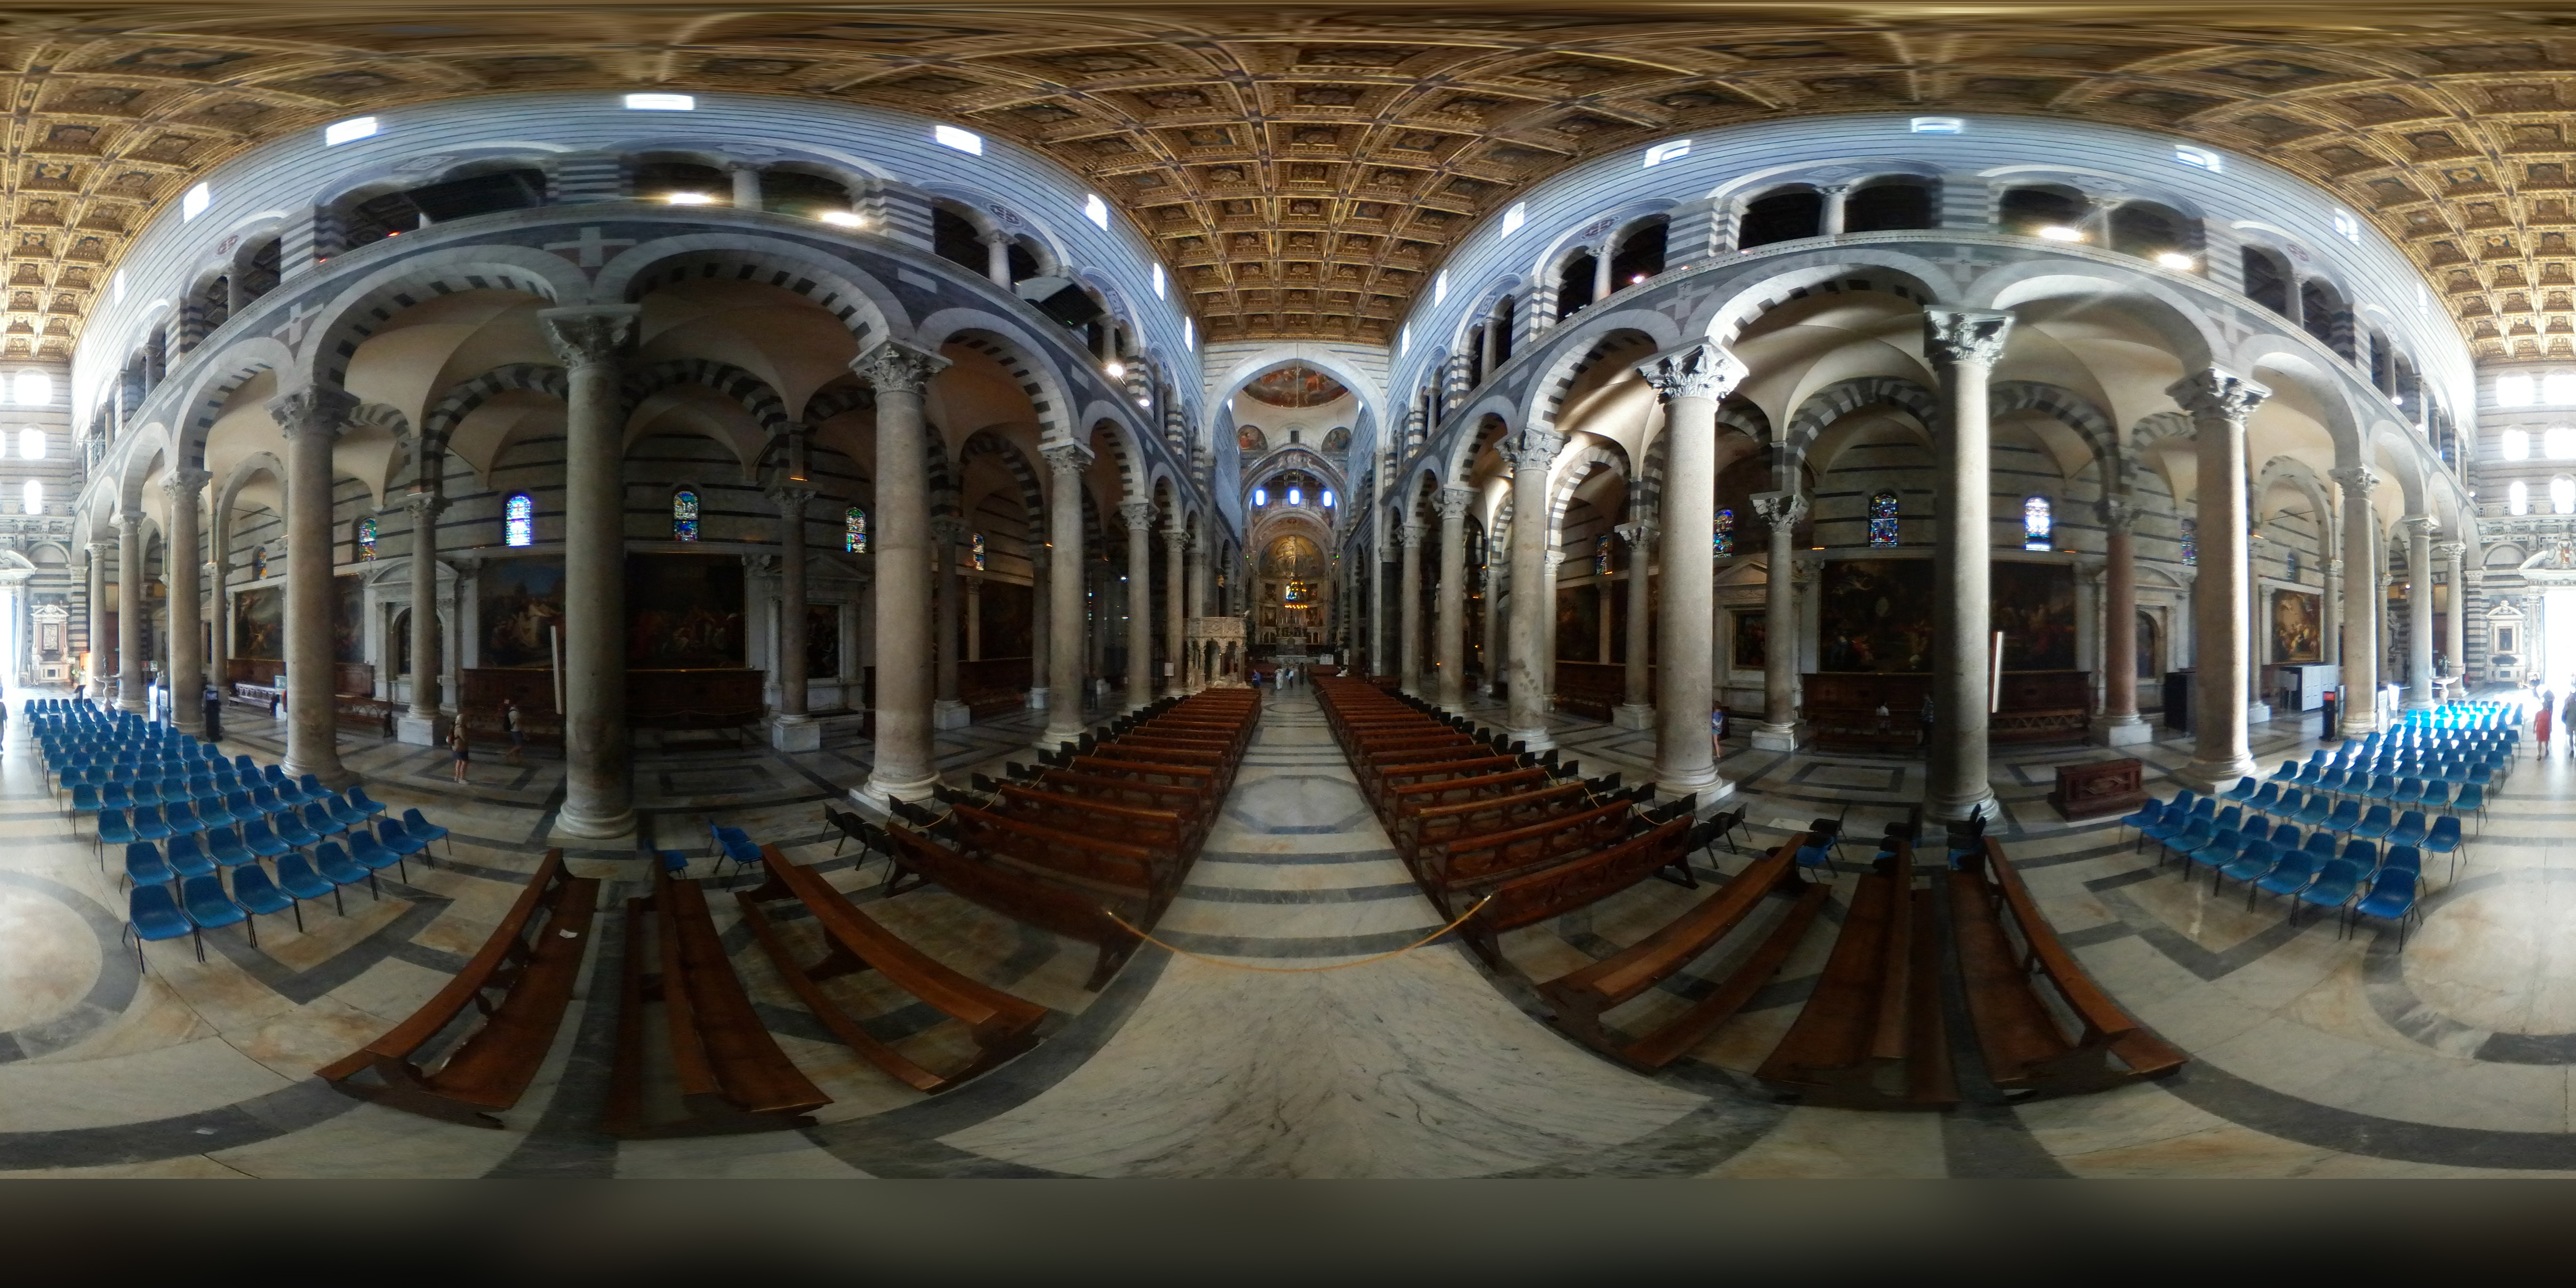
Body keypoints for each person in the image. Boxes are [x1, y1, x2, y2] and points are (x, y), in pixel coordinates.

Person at [449, 718, 472, 783]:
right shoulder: (461, 729)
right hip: (461, 748)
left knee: (459, 761)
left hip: (456, 747)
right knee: (464, 763)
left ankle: (457, 776)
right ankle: (462, 778)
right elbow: (465, 739)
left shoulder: (456, 727)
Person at [503, 699, 525, 764]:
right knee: (519, 746)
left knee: (518, 745)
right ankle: (507, 754)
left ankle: (517, 759)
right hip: (516, 730)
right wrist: (524, 733)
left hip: (515, 730)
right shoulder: (514, 712)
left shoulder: (513, 710)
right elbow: (518, 723)